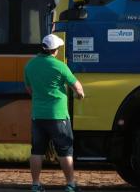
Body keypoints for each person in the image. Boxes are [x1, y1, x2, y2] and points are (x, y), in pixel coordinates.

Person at [24, 34, 85, 192]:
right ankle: (70, 184)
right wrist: (80, 96)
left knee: (37, 151)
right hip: (58, 116)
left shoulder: (29, 66)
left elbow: (29, 89)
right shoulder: (60, 66)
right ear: (55, 50)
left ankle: (36, 184)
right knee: (65, 151)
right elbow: (77, 88)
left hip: (38, 116)